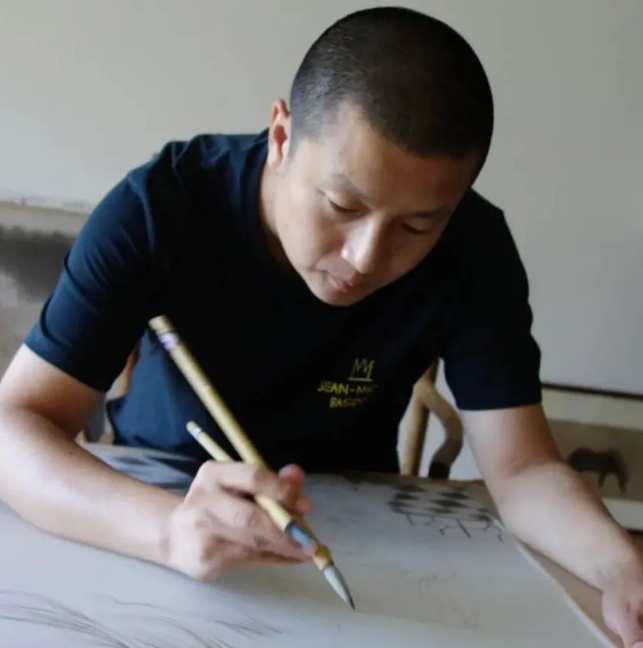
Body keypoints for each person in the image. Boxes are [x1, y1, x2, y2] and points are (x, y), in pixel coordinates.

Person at [0, 6, 641, 645]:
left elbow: (522, 469)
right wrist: (166, 530)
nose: (365, 258)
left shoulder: (475, 250)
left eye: (417, 226)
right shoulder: (159, 211)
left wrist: (619, 565)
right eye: (342, 204)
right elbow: (14, 427)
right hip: (158, 496)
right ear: (282, 136)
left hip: (356, 527)